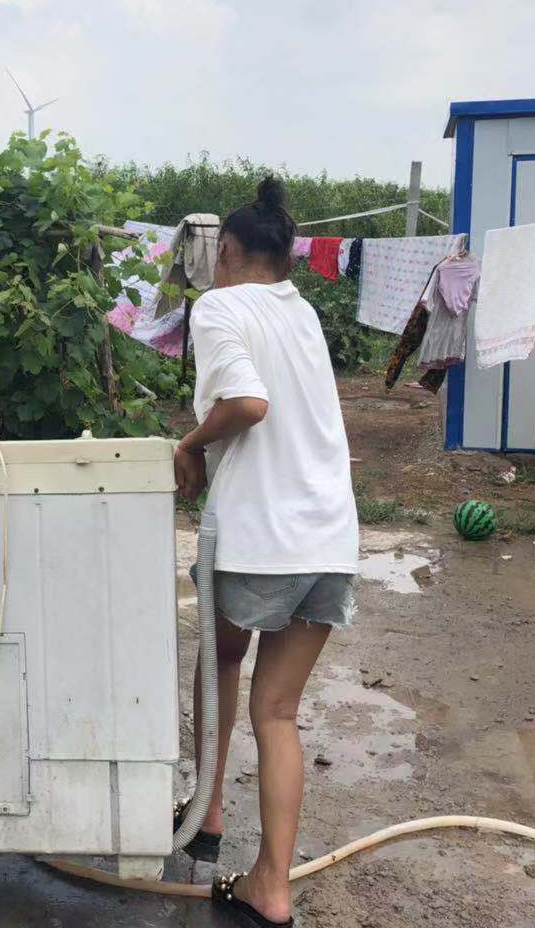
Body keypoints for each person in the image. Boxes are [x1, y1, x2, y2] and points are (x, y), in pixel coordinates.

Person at [173, 177, 358, 927]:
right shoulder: (302, 312)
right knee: (278, 712)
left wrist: (189, 445)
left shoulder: (218, 307)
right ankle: (271, 886)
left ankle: (208, 808)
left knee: (219, 664)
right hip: (330, 536)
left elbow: (248, 403)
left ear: (225, 250)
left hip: (260, 537)